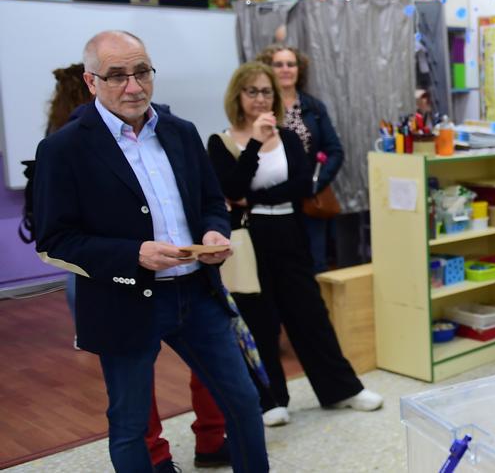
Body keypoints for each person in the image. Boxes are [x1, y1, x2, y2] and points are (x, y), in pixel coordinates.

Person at [32, 30, 268, 472]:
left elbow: (210, 204)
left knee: (243, 400)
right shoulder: (64, 150)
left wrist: (215, 233)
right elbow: (56, 239)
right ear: (91, 82)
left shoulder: (180, 132)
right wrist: (133, 254)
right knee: (129, 424)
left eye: (141, 72)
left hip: (197, 295)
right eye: (117, 76)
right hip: (124, 300)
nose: (134, 86)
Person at [207, 62, 381, 427]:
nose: (260, 98)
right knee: (260, 318)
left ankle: (341, 389)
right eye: (251, 91)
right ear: (237, 95)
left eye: (266, 91)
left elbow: (303, 186)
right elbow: (231, 189)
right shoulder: (221, 141)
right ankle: (271, 399)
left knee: (311, 314)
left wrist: (254, 197)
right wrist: (254, 143)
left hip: (290, 231)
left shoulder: (287, 137)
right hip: (250, 240)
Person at [255, 45, 345, 274]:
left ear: (299, 69)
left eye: (291, 64)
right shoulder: (260, 107)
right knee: (279, 268)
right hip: (273, 200)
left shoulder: (313, 107)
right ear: (268, 68)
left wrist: (314, 184)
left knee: (316, 265)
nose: (286, 69)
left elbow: (335, 150)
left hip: (309, 200)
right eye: (279, 64)